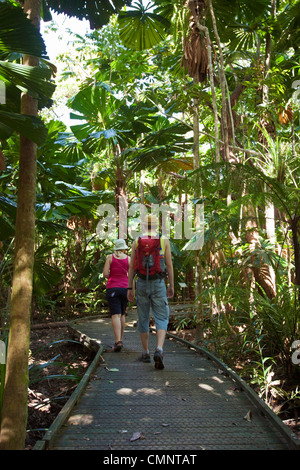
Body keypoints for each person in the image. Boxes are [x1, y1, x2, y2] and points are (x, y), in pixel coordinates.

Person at [127, 215, 174, 369]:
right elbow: (169, 265)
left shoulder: (137, 241)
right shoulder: (163, 240)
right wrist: (171, 285)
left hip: (141, 283)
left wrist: (129, 288)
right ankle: (159, 349)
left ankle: (146, 352)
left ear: (143, 226)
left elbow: (132, 267)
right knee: (161, 317)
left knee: (143, 317)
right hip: (159, 283)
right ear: (156, 225)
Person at [103, 239, 130, 352]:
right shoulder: (128, 258)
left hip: (113, 288)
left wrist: (112, 275)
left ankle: (117, 340)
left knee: (115, 315)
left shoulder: (110, 257)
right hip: (125, 288)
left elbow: (105, 274)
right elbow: (131, 274)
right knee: (122, 314)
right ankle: (120, 339)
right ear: (123, 247)